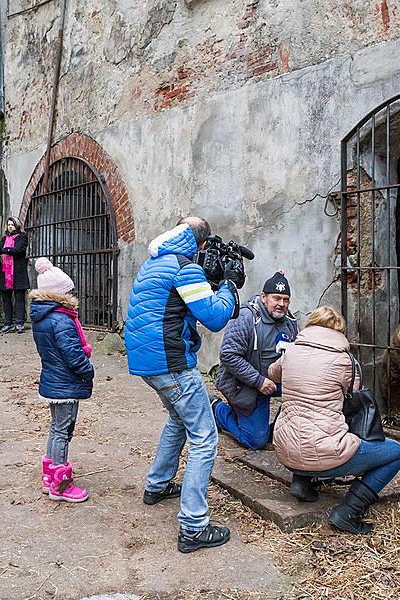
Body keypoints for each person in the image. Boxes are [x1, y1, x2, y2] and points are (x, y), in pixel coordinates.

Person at [125, 217, 245, 553]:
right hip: (172, 363)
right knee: (205, 437)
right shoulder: (185, 268)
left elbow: (179, 303)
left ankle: (157, 485)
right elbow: (216, 318)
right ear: (201, 245)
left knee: (179, 419)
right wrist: (229, 285)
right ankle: (193, 527)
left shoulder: (157, 261)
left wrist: (212, 279)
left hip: (147, 362)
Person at [269, 305, 400, 534]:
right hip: (324, 454)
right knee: (395, 453)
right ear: (339, 331)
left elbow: (273, 373)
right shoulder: (345, 361)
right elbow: (355, 391)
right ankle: (350, 511)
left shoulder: (291, 351)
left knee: (303, 426)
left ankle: (302, 482)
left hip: (285, 449)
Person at [29, 257, 94, 502]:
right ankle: (61, 484)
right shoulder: (62, 319)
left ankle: (49, 476)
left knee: (56, 429)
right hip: (65, 383)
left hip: (53, 380)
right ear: (59, 294)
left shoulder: (43, 316)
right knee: (63, 430)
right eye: (68, 291)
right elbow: (72, 353)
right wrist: (87, 369)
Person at [213, 271, 298, 449]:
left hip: (275, 381)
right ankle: (217, 410)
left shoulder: (289, 321)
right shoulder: (245, 318)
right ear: (264, 297)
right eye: (276, 298)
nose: (281, 304)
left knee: (306, 389)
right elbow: (228, 355)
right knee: (255, 441)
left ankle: (276, 430)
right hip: (247, 385)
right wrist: (258, 381)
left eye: (285, 299)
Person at [0, 217, 29, 333]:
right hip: (5, 272)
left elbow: (17, 250)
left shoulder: (22, 237)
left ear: (17, 226)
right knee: (6, 299)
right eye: (8, 224)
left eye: (12, 225)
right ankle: (7, 323)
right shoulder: (5, 238)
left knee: (19, 299)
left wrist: (1, 250)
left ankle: (19, 323)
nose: (10, 227)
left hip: (18, 272)